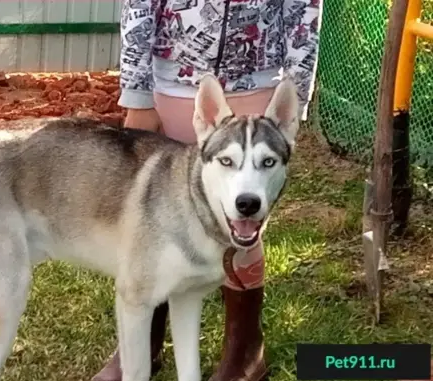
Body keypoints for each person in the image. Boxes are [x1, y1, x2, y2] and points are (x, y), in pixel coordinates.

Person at [92, 0, 322, 380]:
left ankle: (244, 349)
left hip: (259, 77)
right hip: (176, 80)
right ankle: (140, 343)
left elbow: (305, 7)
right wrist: (137, 93)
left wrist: (295, 91)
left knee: (243, 214)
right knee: (160, 212)